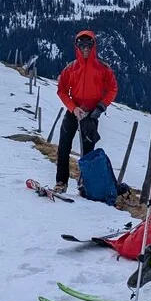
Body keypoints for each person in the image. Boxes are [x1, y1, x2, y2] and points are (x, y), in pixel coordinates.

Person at [54, 29, 118, 193]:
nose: (85, 49)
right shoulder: (71, 68)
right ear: (77, 46)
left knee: (88, 152)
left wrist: (100, 107)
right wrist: (73, 108)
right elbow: (61, 90)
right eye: (82, 45)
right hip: (73, 111)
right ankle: (61, 182)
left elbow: (113, 89)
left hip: (91, 114)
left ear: (93, 46)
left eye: (88, 45)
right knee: (63, 148)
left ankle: (85, 185)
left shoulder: (102, 69)